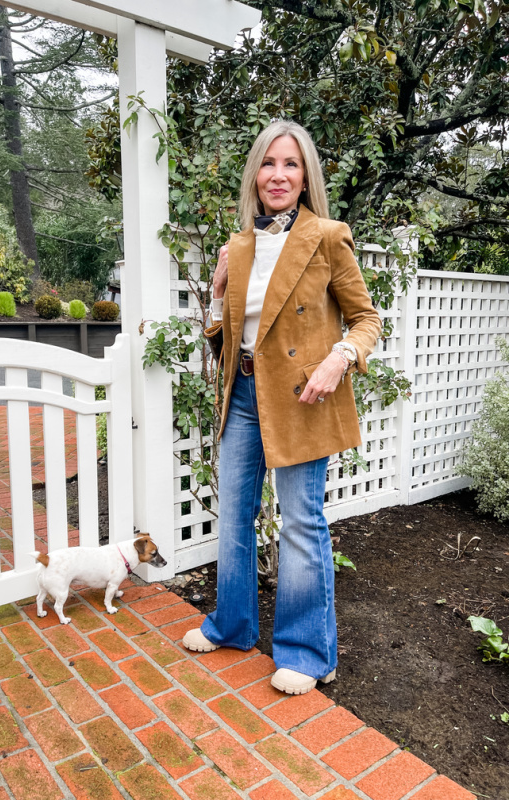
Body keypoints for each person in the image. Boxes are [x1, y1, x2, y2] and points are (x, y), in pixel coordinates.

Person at [182, 120, 382, 695]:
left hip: (302, 395)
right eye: (268, 164)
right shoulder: (240, 244)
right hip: (243, 393)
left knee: (299, 522)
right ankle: (233, 625)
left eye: (290, 164)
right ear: (255, 175)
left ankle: (308, 652)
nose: (278, 175)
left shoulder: (327, 235)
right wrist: (219, 292)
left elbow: (367, 319)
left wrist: (338, 358)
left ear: (305, 176)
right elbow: (230, 335)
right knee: (236, 516)